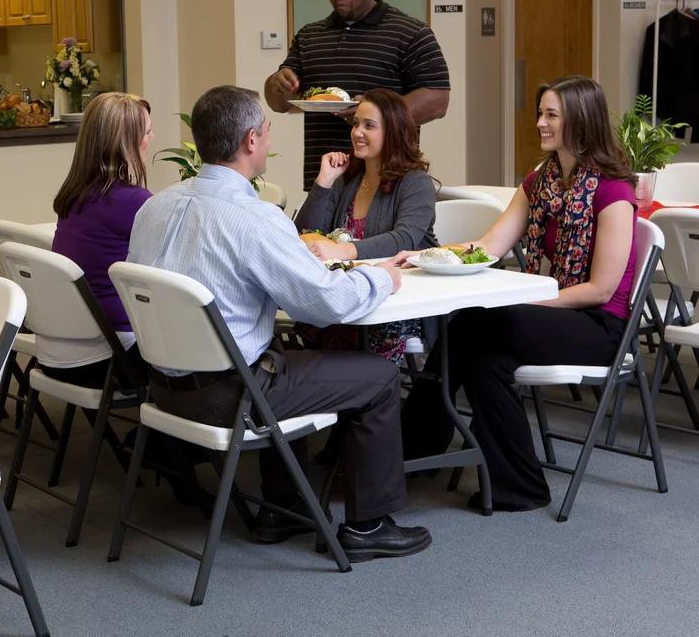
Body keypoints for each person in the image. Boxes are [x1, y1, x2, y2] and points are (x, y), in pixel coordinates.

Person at [127, 85, 432, 561]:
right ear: (251, 140)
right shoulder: (254, 218)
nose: (269, 140)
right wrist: (381, 280)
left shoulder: (153, 207)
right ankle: (369, 525)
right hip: (230, 397)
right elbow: (323, 304)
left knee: (273, 355)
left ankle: (283, 505)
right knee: (377, 375)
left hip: (163, 392)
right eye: (267, 131)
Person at [399, 76, 638, 511]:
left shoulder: (613, 191)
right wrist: (422, 254)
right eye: (540, 113)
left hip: (601, 326)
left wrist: (523, 300)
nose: (540, 123)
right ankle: (521, 487)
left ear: (580, 122)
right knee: (486, 361)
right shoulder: (540, 181)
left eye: (551, 115)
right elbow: (488, 247)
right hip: (555, 312)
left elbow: (600, 289)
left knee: (473, 321)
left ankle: (412, 446)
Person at [264, 0, 450, 191]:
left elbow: (438, 99)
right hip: (325, 178)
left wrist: (374, 114)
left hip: (388, 178)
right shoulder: (310, 35)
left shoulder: (411, 32)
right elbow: (279, 103)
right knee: (319, 232)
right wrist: (277, 84)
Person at [294, 87, 437, 362]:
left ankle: (364, 392)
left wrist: (343, 251)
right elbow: (305, 234)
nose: (357, 132)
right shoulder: (347, 178)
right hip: (353, 293)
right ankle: (340, 393)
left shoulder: (415, 182)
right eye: (356, 123)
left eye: (369, 125)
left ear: (393, 132)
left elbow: (405, 238)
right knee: (310, 317)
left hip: (401, 300)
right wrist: (323, 182)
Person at [37, 92, 154, 389]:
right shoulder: (133, 201)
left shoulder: (75, 196)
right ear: (129, 141)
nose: (150, 139)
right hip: (109, 358)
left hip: (57, 351)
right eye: (148, 132)